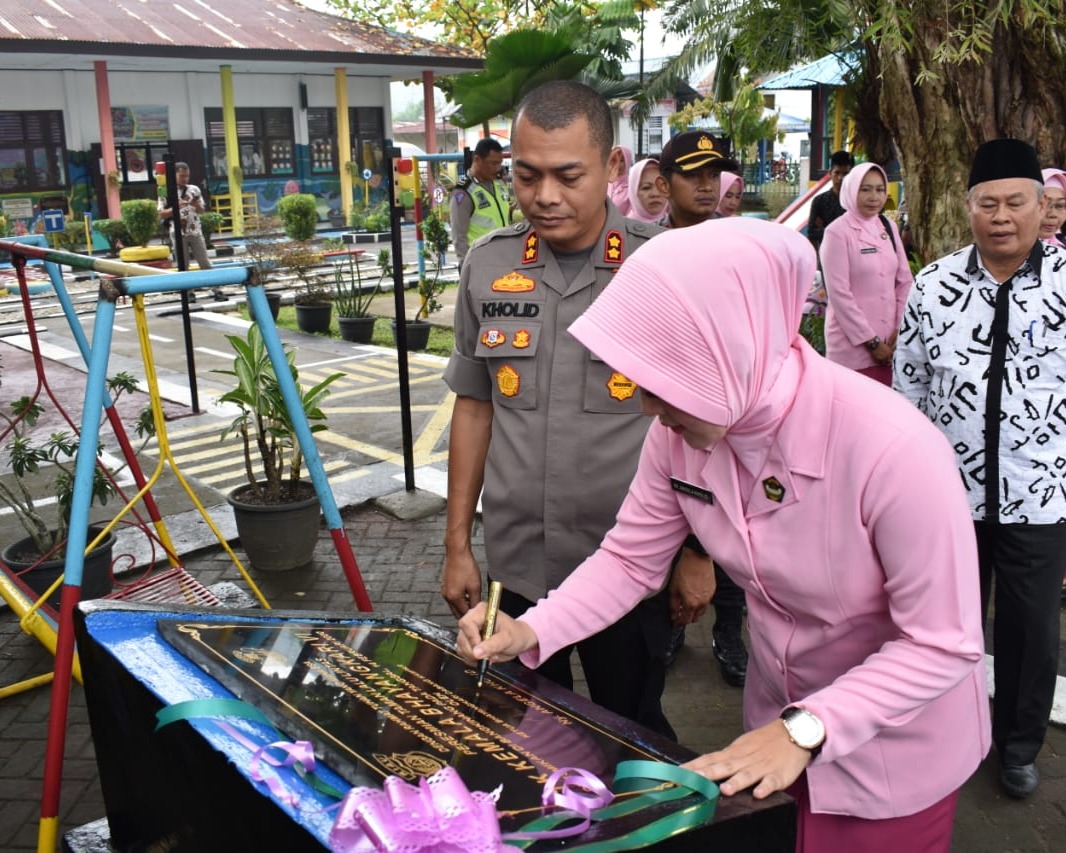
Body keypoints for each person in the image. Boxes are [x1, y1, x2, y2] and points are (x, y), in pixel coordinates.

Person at [460, 217, 990, 851]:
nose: (647, 407)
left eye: (665, 377)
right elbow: (629, 560)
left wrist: (807, 729)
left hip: (893, 751)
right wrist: (532, 628)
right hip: (769, 733)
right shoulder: (681, 433)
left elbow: (944, 643)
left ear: (728, 349)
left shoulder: (895, 452)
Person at [441, 80, 679, 739]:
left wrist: (696, 554)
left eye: (567, 175)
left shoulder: (659, 268)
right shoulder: (487, 268)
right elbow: (474, 406)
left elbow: (698, 425)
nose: (545, 196)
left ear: (612, 167)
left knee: (627, 734)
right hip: (516, 567)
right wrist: (458, 543)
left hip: (626, 571)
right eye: (526, 175)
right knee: (517, 731)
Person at [895, 138, 1066, 800]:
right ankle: (946, 735)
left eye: (1016, 203)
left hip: (1040, 494)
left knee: (1030, 629)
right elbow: (907, 392)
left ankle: (1019, 744)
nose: (1002, 216)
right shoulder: (935, 285)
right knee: (944, 622)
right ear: (968, 207)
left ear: (1041, 205)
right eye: (987, 203)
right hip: (949, 495)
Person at [655, 131, 750, 686]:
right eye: (693, 174)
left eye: (714, 173)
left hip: (730, 427)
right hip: (665, 426)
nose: (707, 184)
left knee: (732, 539)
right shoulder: (643, 251)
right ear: (665, 184)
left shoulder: (738, 249)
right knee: (669, 533)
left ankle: (729, 632)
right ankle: (670, 626)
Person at [818, 162, 912, 386]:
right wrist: (871, 342)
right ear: (851, 190)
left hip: (891, 344)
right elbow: (839, 295)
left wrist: (899, 330)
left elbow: (904, 280)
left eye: (880, 190)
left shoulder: (888, 226)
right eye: (865, 189)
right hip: (852, 348)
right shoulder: (837, 232)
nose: (874, 197)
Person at [157, 162, 224, 301]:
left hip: (195, 231)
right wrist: (175, 207)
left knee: (204, 262)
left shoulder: (194, 189)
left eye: (187, 176)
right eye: (181, 176)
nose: (185, 179)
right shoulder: (165, 191)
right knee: (183, 264)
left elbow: (202, 210)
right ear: (174, 175)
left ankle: (216, 290)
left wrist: (196, 204)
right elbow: (161, 213)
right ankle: (188, 293)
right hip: (177, 232)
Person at [449, 138, 511, 269]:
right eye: (493, 163)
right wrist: (468, 268)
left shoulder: (499, 185)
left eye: (500, 163)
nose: (498, 168)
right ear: (477, 159)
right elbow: (459, 237)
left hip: (504, 260)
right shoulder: (464, 192)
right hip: (480, 264)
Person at [655, 131, 736, 229]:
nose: (707, 187)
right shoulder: (649, 241)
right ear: (664, 186)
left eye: (714, 175)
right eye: (692, 175)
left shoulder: (738, 239)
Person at [807, 150, 854, 251]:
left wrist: (826, 229)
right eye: (837, 173)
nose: (840, 178)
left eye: (845, 173)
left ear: (853, 175)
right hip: (827, 254)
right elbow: (812, 233)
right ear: (830, 173)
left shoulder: (857, 202)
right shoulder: (819, 201)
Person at [626, 158, 667, 224]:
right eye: (646, 188)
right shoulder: (624, 229)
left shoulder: (678, 226)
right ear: (633, 193)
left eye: (661, 186)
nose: (655, 194)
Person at [1039, 167, 1066, 247]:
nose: (1052, 214)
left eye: (1059, 206)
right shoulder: (1009, 253)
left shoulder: (1062, 249)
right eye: (1043, 204)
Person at [607, 145, 634, 216]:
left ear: (627, 161)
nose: (617, 164)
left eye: (622, 160)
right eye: (614, 160)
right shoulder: (604, 183)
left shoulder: (632, 187)